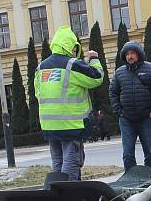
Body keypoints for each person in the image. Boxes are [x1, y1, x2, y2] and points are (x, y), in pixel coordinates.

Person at [35, 25, 103, 181]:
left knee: (57, 162)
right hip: (70, 124)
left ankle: (56, 195)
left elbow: (37, 93)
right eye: (74, 48)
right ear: (70, 46)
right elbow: (96, 78)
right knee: (71, 162)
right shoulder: (72, 65)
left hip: (49, 125)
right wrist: (94, 59)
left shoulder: (41, 68)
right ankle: (70, 194)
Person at [109, 41, 151, 171]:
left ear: (139, 54)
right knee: (128, 154)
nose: (130, 56)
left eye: (133, 53)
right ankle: (130, 179)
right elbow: (112, 92)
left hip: (147, 118)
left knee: (150, 154)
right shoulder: (119, 72)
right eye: (128, 54)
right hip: (126, 119)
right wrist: (119, 111)